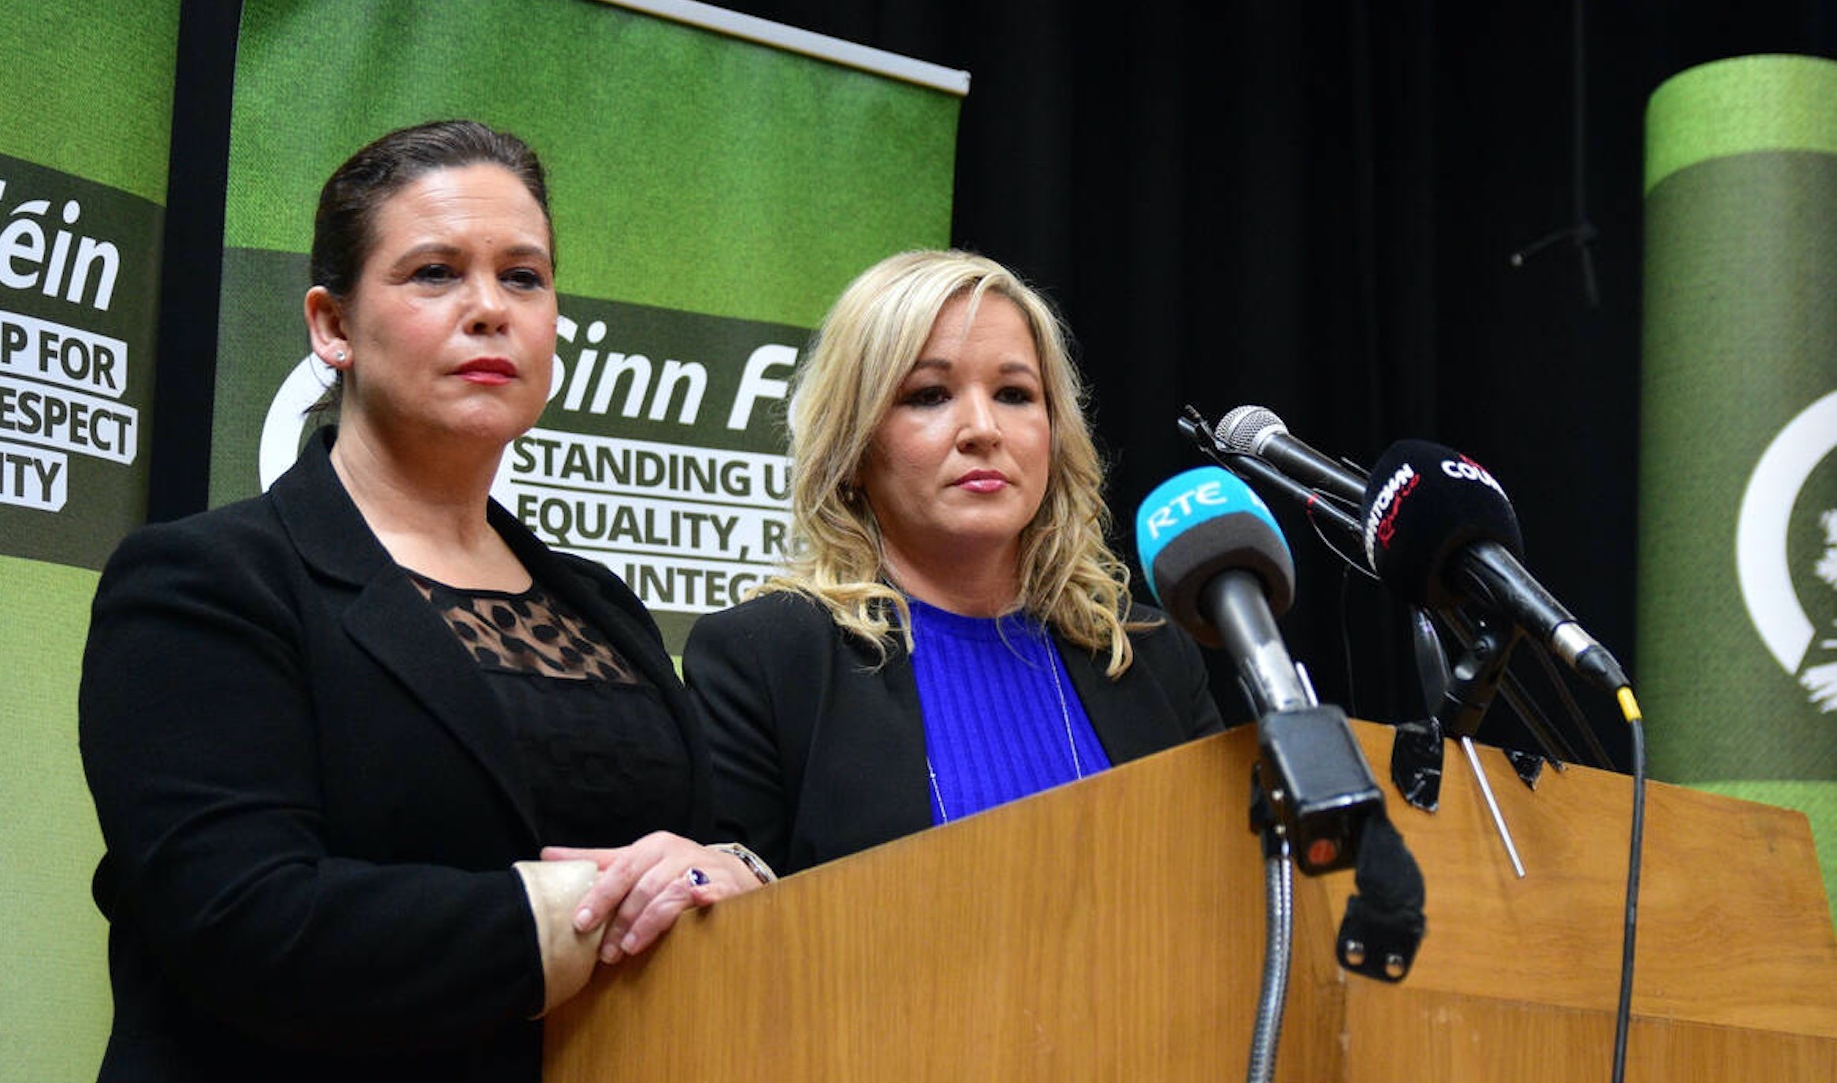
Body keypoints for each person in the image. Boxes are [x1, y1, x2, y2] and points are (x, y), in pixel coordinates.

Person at [78, 120, 770, 1082]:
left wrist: (729, 878)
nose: (490, 308)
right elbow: (245, 921)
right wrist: (579, 907)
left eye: (523, 277)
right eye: (435, 272)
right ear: (332, 325)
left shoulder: (603, 606)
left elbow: (693, 851)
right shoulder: (204, 582)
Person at [682, 249, 1225, 876]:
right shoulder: (764, 658)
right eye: (931, 394)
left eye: (1015, 393)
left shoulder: (1147, 652)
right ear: (854, 446)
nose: (982, 429)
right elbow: (728, 939)